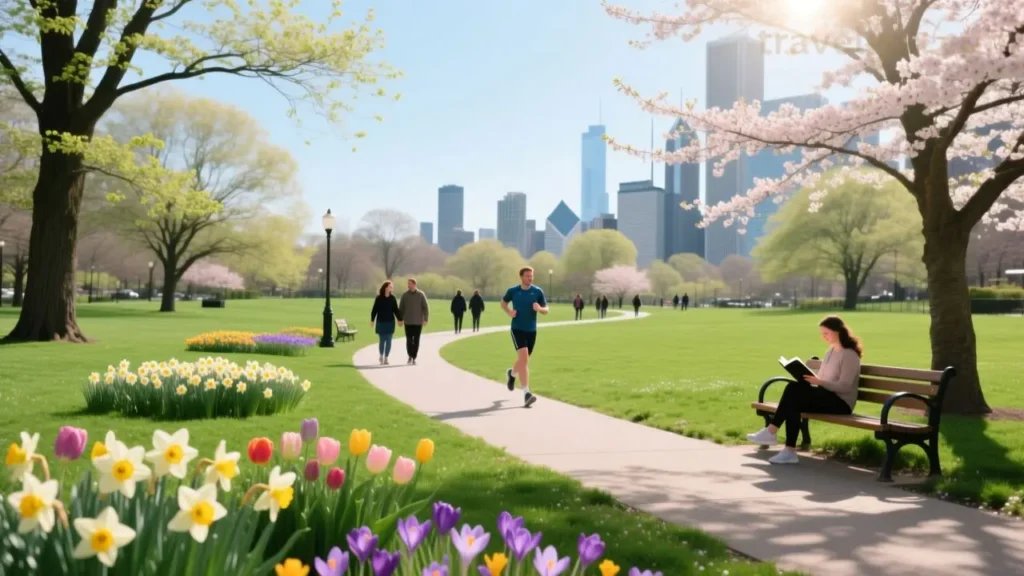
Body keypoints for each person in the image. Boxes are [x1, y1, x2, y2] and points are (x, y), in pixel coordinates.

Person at [747, 316, 863, 465]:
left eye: (826, 333)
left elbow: (845, 386)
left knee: (793, 392)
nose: (823, 337)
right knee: (794, 392)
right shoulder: (831, 351)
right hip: (826, 396)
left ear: (838, 331)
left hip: (841, 403)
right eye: (822, 334)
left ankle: (774, 434)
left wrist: (819, 382)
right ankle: (787, 449)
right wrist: (812, 379)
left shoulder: (849, 355)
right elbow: (823, 378)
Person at [502, 267, 548, 408]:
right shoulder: (513, 291)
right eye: (527, 276)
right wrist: (509, 312)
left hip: (531, 331)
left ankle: (512, 373)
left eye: (531, 276)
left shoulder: (538, 291)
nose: (530, 278)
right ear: (521, 277)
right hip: (517, 329)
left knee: (523, 360)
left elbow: (546, 310)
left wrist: (539, 309)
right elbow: (503, 303)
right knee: (524, 359)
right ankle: (527, 394)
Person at [370, 280, 402, 365]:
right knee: (382, 340)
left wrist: (399, 319)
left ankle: (386, 357)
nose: (392, 288)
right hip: (381, 322)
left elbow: (396, 310)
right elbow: (374, 310)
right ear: (386, 287)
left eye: (392, 287)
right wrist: (372, 320)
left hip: (390, 322)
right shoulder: (378, 298)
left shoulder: (393, 298)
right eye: (390, 286)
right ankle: (381, 355)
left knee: (389, 340)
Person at [398, 278, 429, 364]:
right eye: (408, 284)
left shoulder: (421, 295)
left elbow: (425, 307)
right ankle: (410, 356)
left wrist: (426, 319)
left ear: (414, 284)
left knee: (416, 340)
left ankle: (414, 356)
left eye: (410, 284)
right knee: (408, 339)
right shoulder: (405, 295)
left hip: (418, 322)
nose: (408, 285)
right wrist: (400, 319)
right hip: (408, 321)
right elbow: (401, 308)